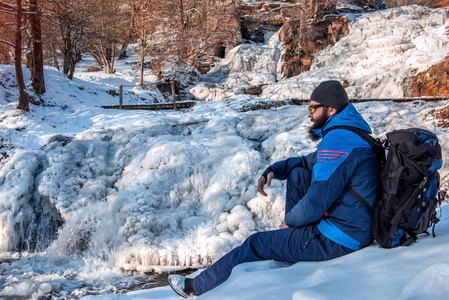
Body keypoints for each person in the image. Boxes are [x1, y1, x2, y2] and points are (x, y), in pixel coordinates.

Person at [167, 80, 381, 298]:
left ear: (331, 109)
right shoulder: (350, 135)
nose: (309, 114)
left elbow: (316, 202)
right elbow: (308, 162)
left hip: (340, 236)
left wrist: (290, 222)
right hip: (352, 223)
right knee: (298, 174)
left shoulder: (338, 141)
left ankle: (194, 288)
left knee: (255, 243)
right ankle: (291, 243)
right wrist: (274, 169)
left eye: (312, 107)